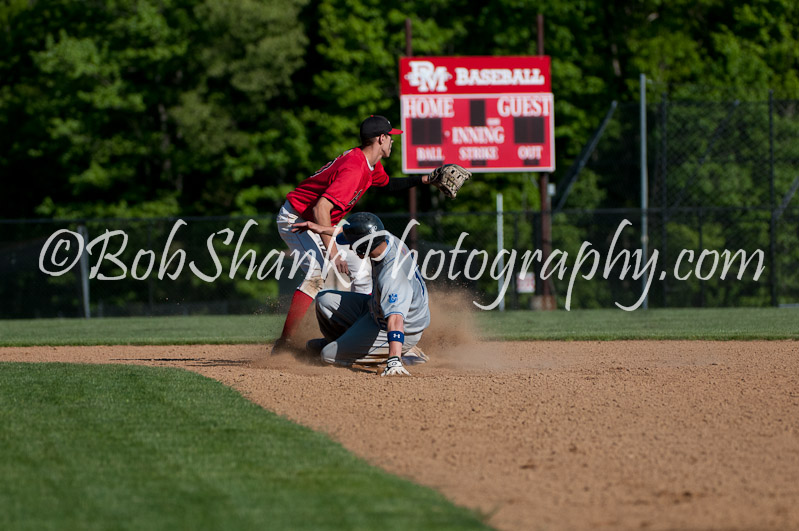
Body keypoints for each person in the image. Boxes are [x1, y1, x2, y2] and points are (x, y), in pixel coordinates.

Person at [273, 115, 432, 354]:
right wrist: (334, 253)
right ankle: (284, 344)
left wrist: (425, 179)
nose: (392, 141)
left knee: (362, 271)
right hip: (297, 219)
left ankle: (359, 332)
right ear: (381, 138)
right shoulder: (355, 169)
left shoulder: (368, 163)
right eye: (390, 137)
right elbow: (320, 209)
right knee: (316, 274)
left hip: (325, 222)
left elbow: (387, 184)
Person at [291, 212, 430, 376]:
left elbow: (395, 319)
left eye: (352, 244)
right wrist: (320, 229)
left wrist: (394, 360)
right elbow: (356, 231)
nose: (350, 248)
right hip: (376, 310)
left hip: (401, 330)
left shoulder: (392, 275)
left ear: (364, 246)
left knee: (327, 356)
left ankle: (405, 354)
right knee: (325, 300)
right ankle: (345, 344)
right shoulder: (384, 238)